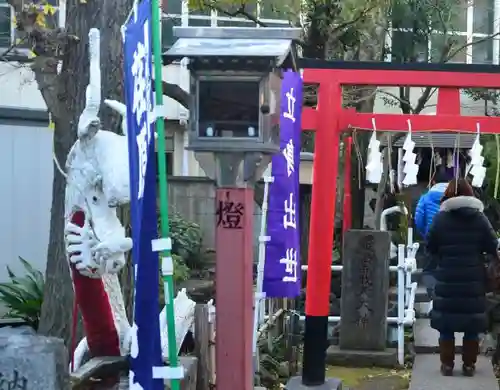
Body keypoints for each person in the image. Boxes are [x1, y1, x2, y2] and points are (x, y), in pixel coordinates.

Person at [426, 178, 499, 376]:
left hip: (447, 277)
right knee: (472, 323)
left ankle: (447, 365)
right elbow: (493, 246)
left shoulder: (441, 219)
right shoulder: (480, 218)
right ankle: (469, 365)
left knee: (446, 323)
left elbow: (429, 245)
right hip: (473, 279)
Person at [415, 171, 449, 238]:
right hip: (449, 236)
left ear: (433, 182)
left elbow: (418, 219)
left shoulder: (425, 198)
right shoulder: (453, 197)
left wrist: (425, 234)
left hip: (431, 234)